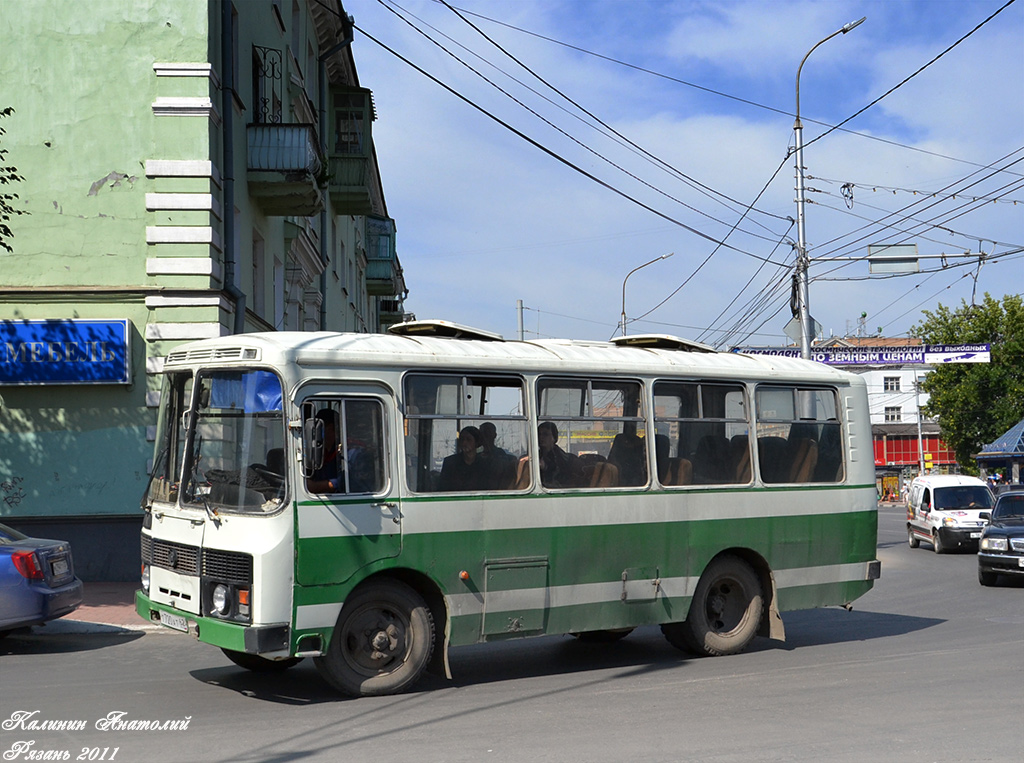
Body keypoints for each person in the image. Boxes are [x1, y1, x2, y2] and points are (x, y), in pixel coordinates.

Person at [438, 426, 488, 492]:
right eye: (462, 439)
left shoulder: (485, 463)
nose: (464, 443)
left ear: (476, 442)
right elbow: (443, 488)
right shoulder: (450, 462)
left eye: (468, 439)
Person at [308, 408, 344, 493]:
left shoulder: (351, 452)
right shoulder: (321, 451)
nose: (314, 433)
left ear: (331, 428)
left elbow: (347, 481)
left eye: (317, 428)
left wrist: (315, 486)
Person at [538, 421, 581, 488]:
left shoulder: (561, 456)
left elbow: (562, 473)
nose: (541, 437)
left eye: (545, 434)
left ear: (554, 437)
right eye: (539, 434)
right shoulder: (537, 454)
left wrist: (545, 467)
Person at [479, 421, 517, 489]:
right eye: (482, 434)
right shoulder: (475, 457)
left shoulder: (500, 455)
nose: (485, 437)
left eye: (488, 433)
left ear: (494, 435)